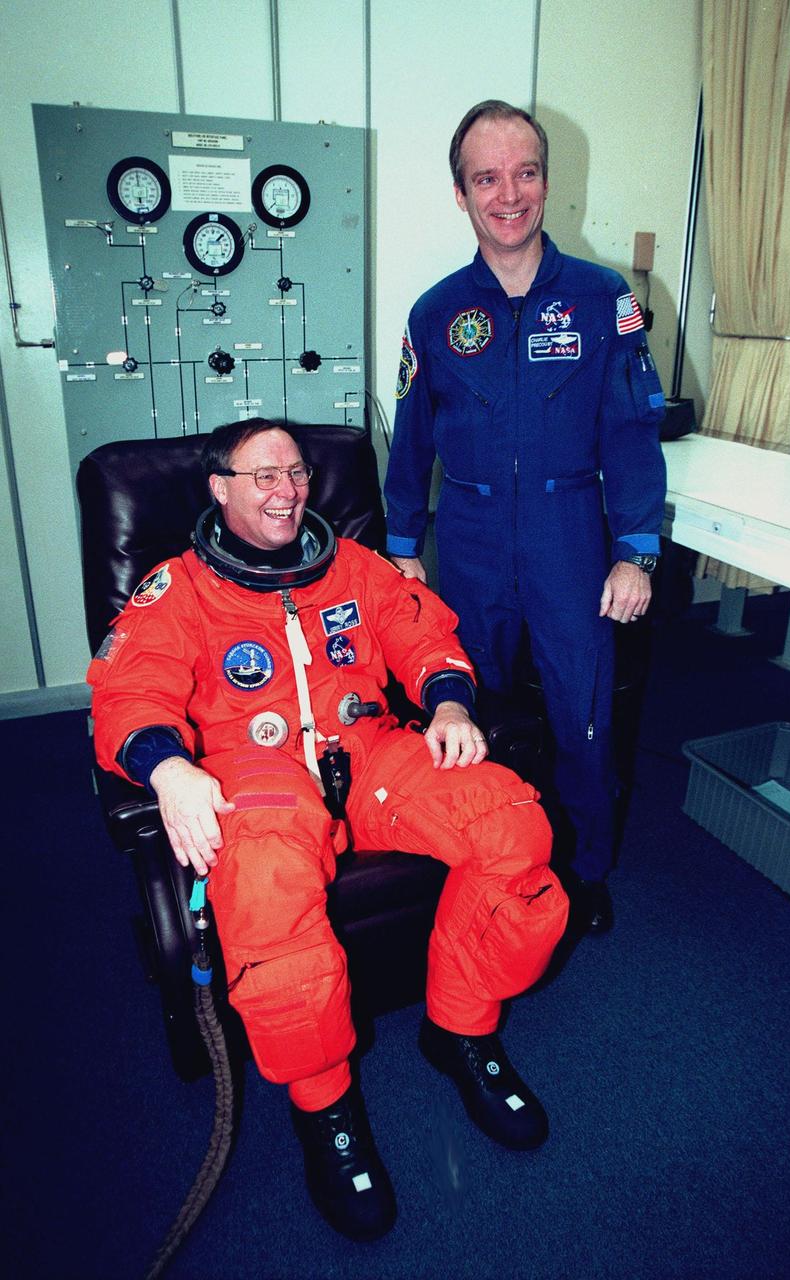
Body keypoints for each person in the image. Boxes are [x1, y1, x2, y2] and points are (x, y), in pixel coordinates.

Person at [88, 417, 569, 1243]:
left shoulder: (353, 565)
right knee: (271, 902)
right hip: (255, 776)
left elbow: (426, 636)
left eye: (298, 472)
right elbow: (130, 694)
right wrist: (169, 771)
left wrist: (448, 704)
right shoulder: (178, 589)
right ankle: (325, 1109)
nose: (288, 489)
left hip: (372, 752)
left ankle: (461, 1029)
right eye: (264, 475)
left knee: (512, 830)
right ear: (220, 488)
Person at [384, 100, 667, 934]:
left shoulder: (600, 297)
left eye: (525, 172)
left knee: (582, 714)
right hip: (466, 540)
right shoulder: (434, 312)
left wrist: (635, 551)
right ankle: (487, 861)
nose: (508, 194)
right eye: (486, 177)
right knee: (464, 707)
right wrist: (404, 549)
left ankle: (584, 869)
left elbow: (631, 429)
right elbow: (411, 441)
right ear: (460, 194)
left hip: (569, 535)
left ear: (547, 181)